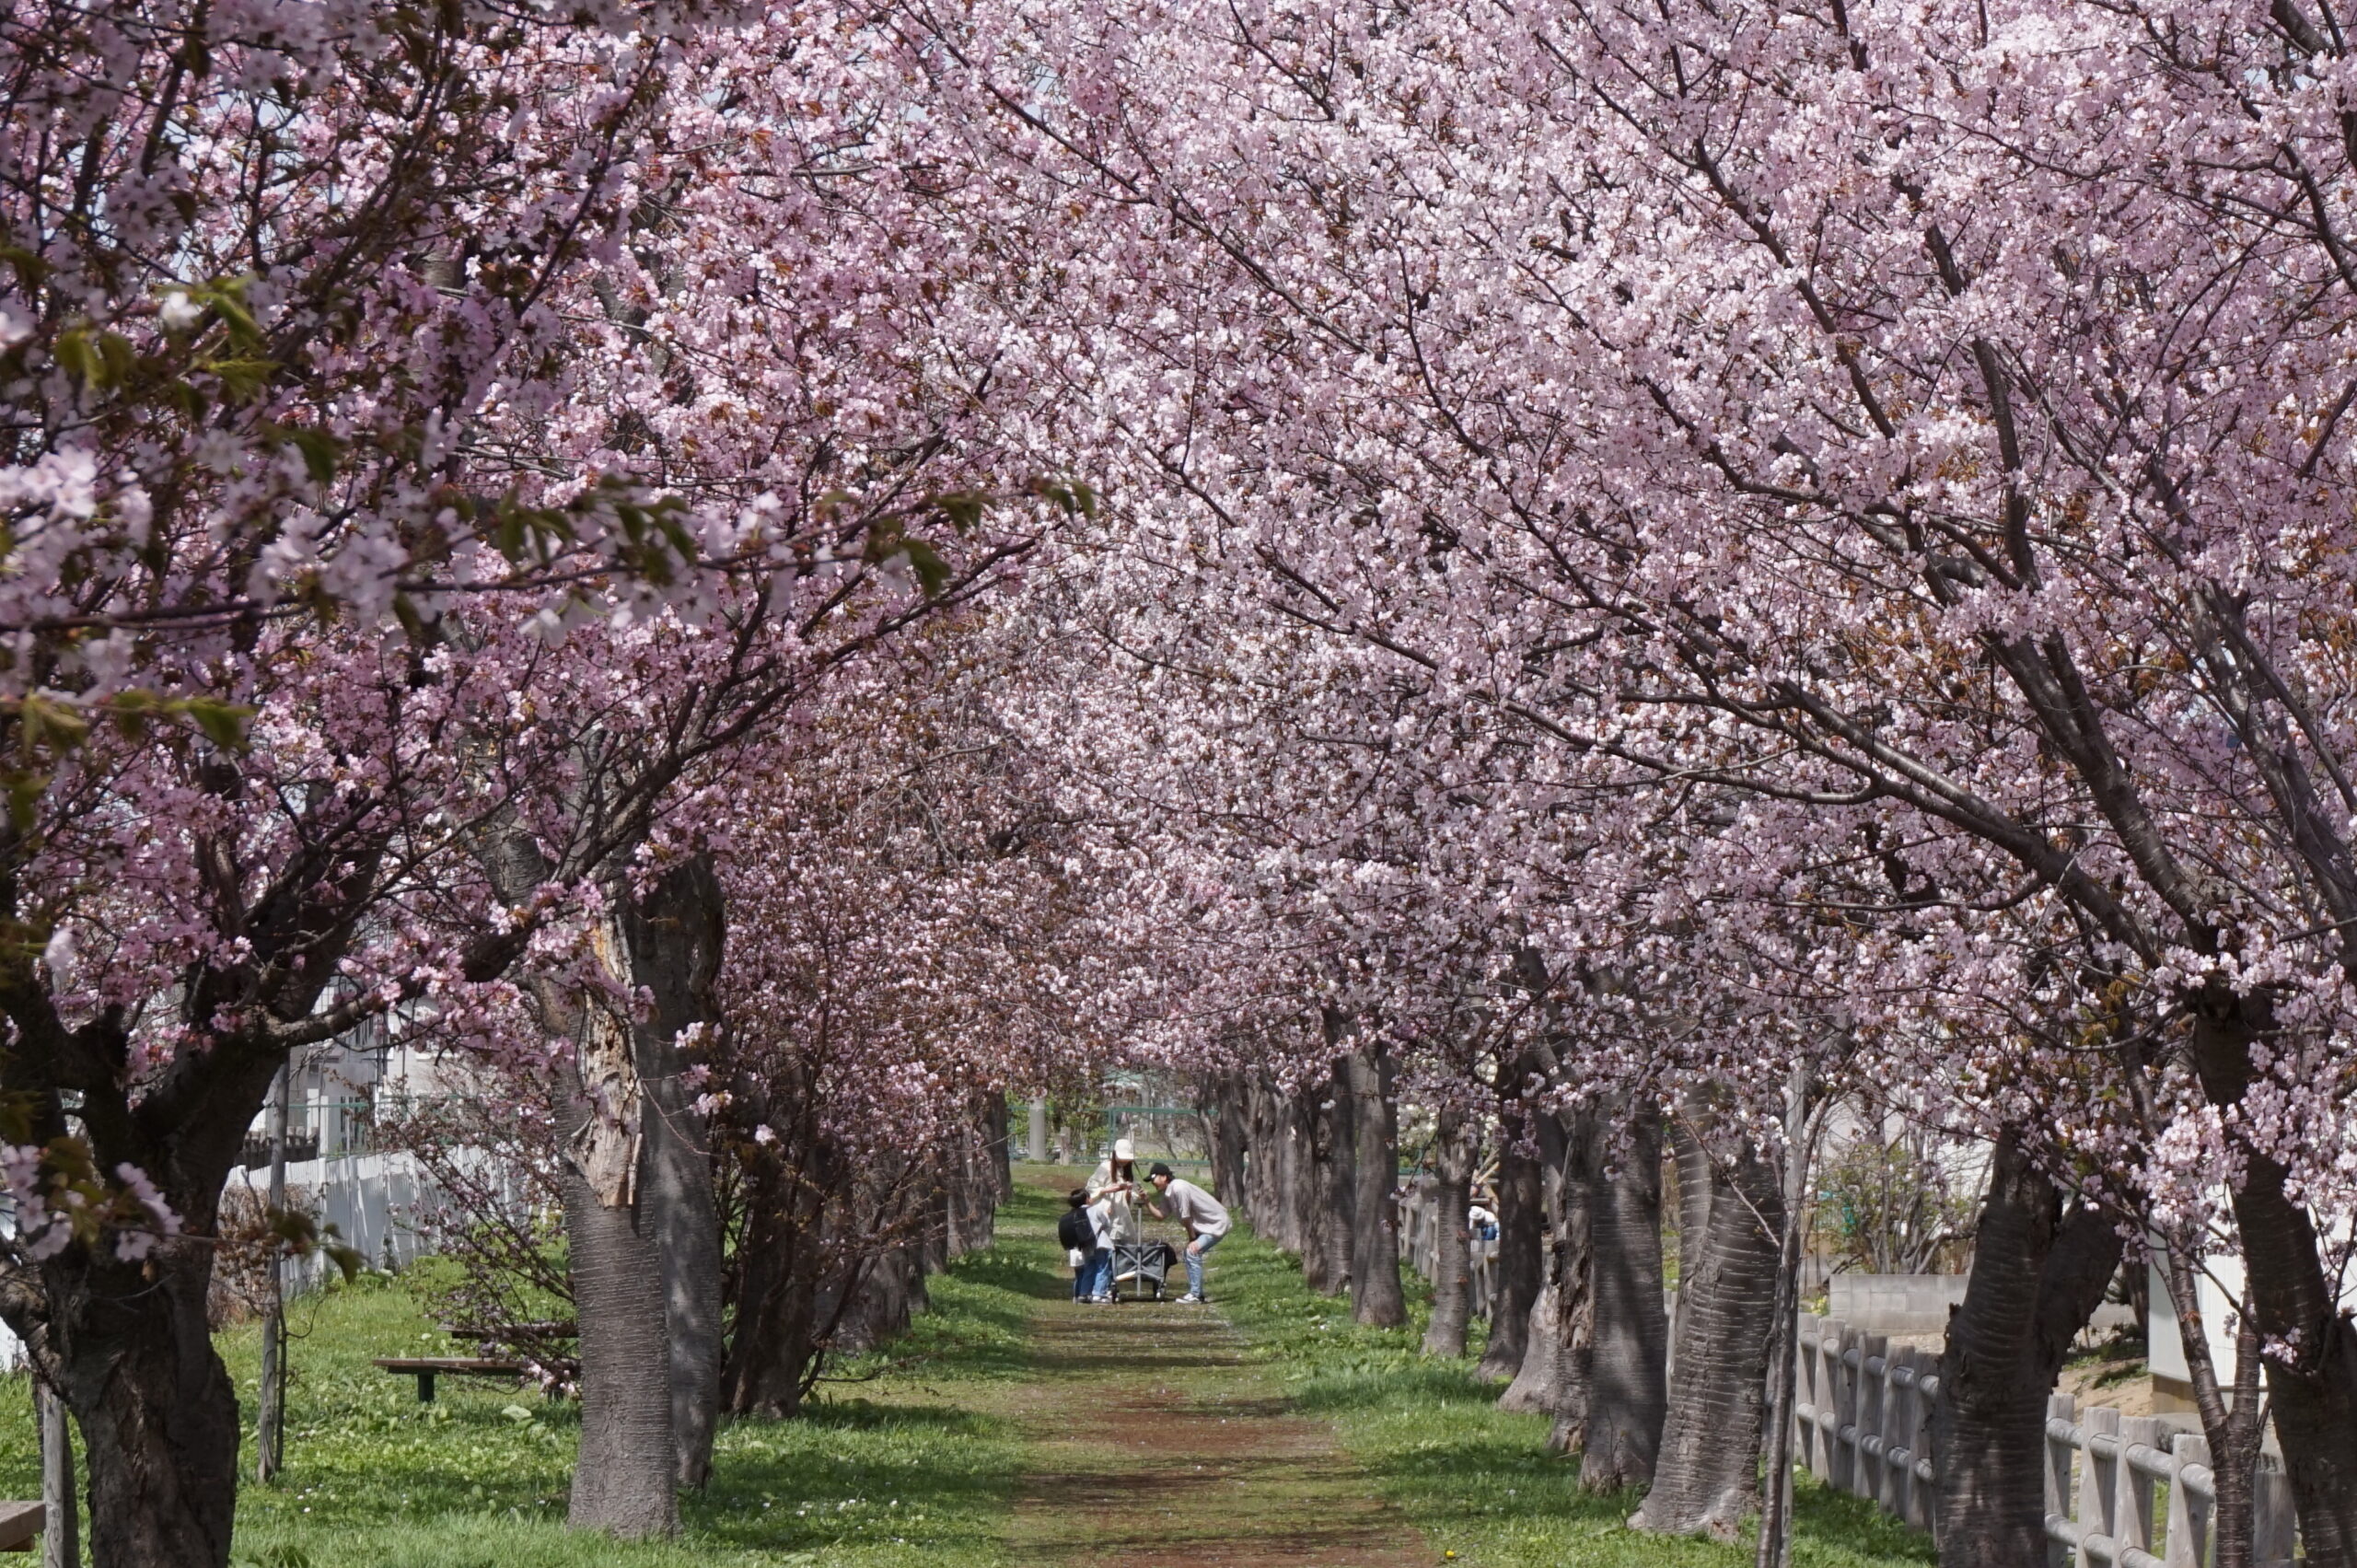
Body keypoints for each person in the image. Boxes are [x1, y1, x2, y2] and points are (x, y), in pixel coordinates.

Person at [1144, 1161, 1231, 1305]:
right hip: (1205, 1226)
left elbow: (1186, 1216)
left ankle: (1196, 1295)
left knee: (1192, 1251)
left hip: (1216, 1223)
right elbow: (1160, 1215)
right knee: (1189, 1253)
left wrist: (1192, 1238)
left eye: (1153, 1179)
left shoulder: (1179, 1188)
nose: (1152, 1183)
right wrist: (1147, 1202)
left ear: (1164, 1177)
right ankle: (1196, 1292)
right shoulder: (1168, 1193)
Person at [1086, 1137, 1145, 1248]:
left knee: (1120, 1246)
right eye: (1121, 1158)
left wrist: (1128, 1192)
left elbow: (1134, 1195)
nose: (1124, 1162)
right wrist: (1108, 1190)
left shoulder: (1128, 1172)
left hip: (1121, 1215)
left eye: (1126, 1159)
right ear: (1114, 1154)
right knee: (1105, 1245)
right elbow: (1091, 1188)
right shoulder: (1105, 1168)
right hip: (1106, 1212)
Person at [1059, 1188, 1112, 1303]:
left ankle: (1084, 1293)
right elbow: (1106, 1223)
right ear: (1087, 1199)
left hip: (1085, 1245)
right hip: (1099, 1243)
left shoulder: (1075, 1214)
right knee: (1102, 1267)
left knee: (1089, 1268)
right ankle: (1099, 1293)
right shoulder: (1095, 1210)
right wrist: (1107, 1214)